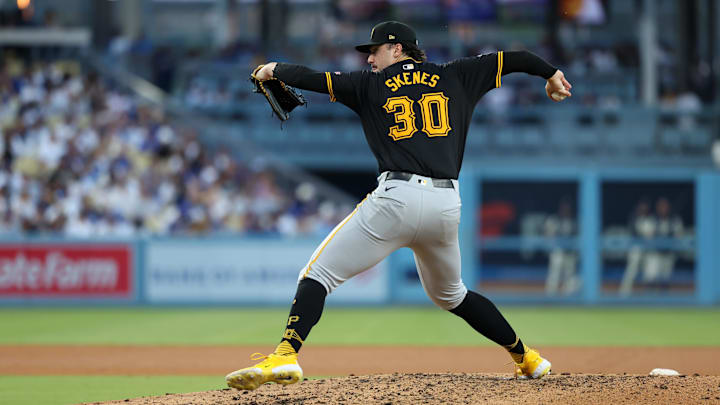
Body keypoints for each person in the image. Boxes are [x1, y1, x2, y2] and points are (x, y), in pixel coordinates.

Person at [226, 21, 572, 390]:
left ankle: (284, 355)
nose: (369, 57)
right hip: (445, 203)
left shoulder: (367, 84)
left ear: (397, 49)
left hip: (397, 199)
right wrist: (551, 75)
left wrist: (271, 69)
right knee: (453, 294)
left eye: (374, 50)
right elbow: (518, 58)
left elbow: (311, 77)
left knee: (318, 276)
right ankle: (528, 358)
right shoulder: (458, 75)